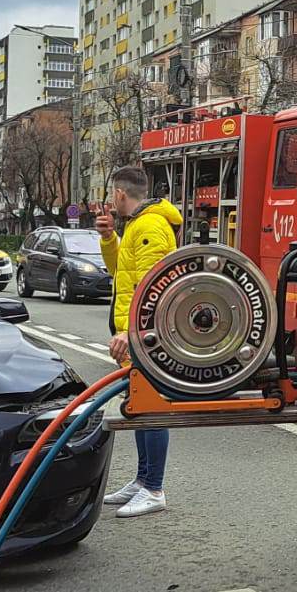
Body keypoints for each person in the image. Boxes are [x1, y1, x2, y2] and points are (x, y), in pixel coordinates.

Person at [98, 167, 182, 518]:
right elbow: (121, 272)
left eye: (111, 194)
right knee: (139, 404)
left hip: (147, 336)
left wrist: (131, 332)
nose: (111, 200)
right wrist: (109, 239)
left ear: (120, 193)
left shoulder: (149, 226)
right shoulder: (136, 224)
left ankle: (154, 488)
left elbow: (153, 287)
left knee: (152, 407)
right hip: (139, 334)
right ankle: (143, 479)